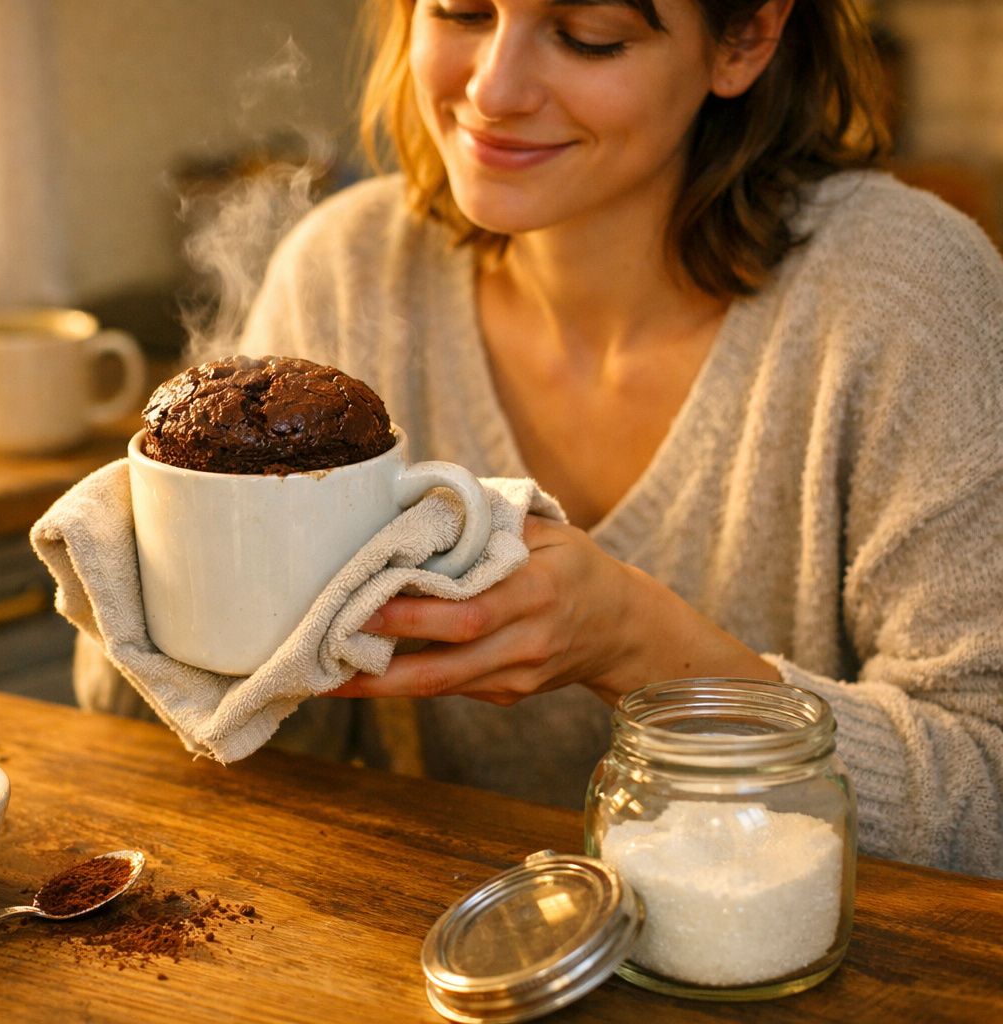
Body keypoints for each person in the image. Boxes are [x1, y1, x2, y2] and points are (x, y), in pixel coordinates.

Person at [77, 0, 1003, 877]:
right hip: (423, 942)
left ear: (746, 37)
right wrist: (168, 589)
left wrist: (635, 646)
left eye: (588, 34)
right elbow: (224, 752)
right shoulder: (347, 271)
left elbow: (985, 794)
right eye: (462, 12)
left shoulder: (905, 295)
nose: (492, 90)